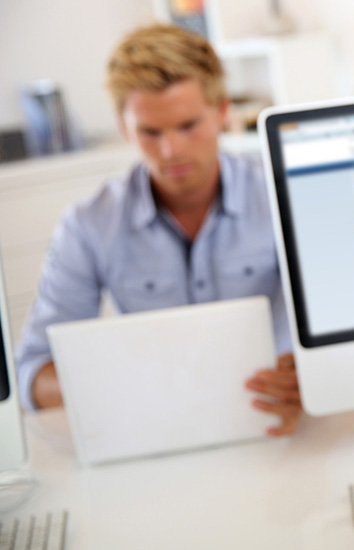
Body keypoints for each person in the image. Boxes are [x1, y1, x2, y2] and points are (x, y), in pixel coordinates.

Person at [14, 24, 302, 437]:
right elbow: (32, 374)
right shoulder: (88, 225)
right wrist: (126, 385)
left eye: (188, 126)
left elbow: (345, 331)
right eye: (151, 132)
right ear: (124, 126)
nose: (172, 151)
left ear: (222, 112)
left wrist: (310, 374)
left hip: (278, 425)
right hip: (154, 431)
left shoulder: (283, 197)